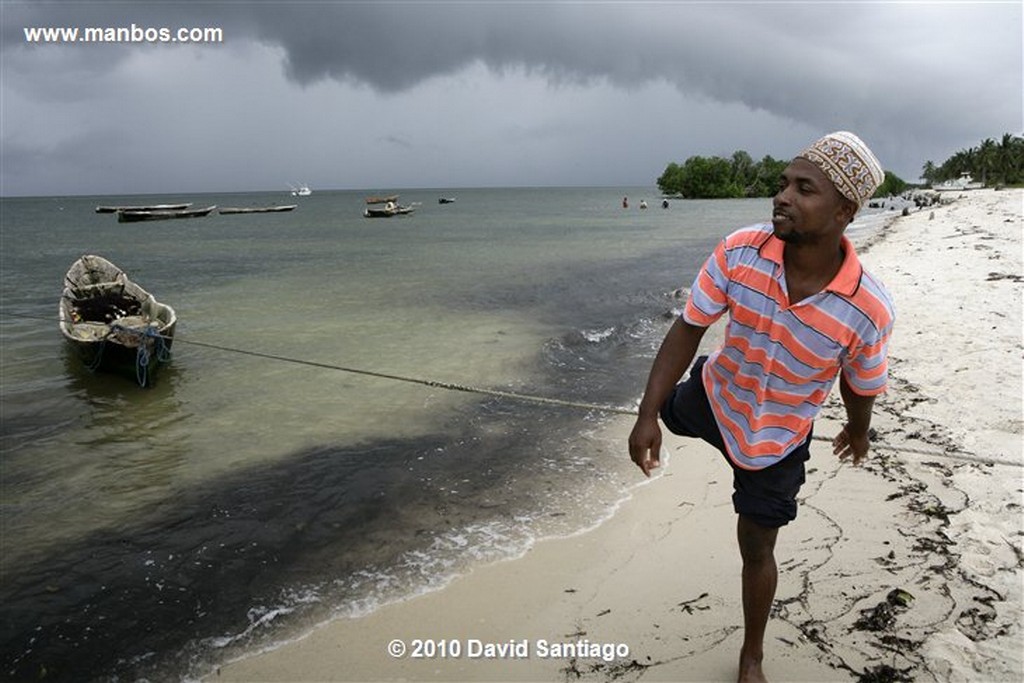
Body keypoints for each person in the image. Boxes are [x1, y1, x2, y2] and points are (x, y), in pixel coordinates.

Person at [628, 131, 893, 683]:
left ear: (845, 210)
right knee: (678, 406)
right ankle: (674, 409)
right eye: (782, 184)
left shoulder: (867, 307)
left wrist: (858, 430)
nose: (783, 196)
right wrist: (648, 414)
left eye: (804, 188)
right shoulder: (740, 249)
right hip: (714, 397)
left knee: (756, 543)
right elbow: (689, 327)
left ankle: (752, 656)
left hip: (775, 439)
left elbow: (859, 384)